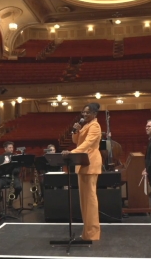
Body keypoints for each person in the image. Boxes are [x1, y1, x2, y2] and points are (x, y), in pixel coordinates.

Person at [62, 102, 102, 241]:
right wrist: (76, 130)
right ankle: (87, 232)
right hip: (82, 164)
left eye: (87, 112)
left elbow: (87, 144)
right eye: (83, 112)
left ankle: (93, 233)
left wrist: (72, 153)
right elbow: (77, 141)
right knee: (84, 201)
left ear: (94, 114)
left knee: (90, 200)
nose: (84, 114)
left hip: (90, 163)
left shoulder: (95, 126)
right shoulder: (85, 125)